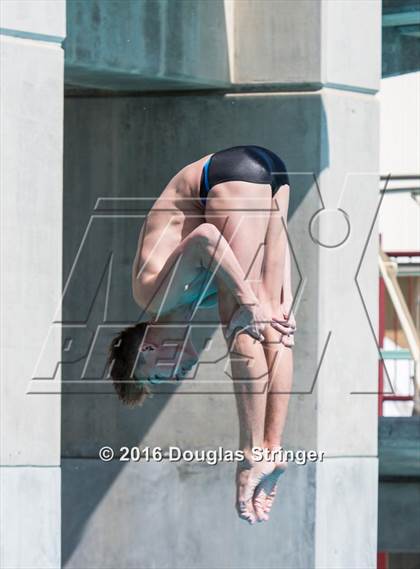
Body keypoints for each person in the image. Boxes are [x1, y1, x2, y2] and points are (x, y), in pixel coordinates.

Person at [108, 144, 296, 524]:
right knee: (273, 318)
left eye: (157, 374)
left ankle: (250, 457)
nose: (173, 377)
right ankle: (272, 449)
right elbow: (263, 279)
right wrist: (283, 296)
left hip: (225, 175)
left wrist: (249, 302)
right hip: (270, 173)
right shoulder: (195, 300)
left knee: (242, 313)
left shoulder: (153, 297)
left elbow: (206, 237)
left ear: (146, 348)